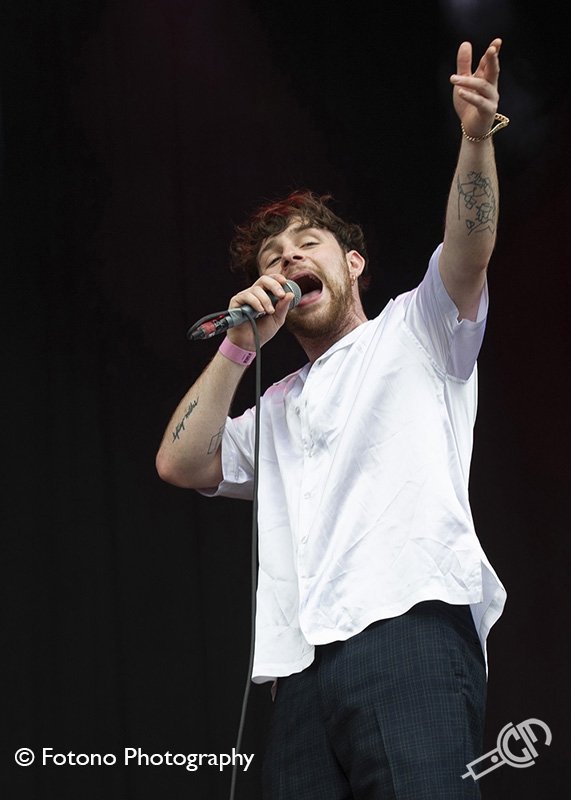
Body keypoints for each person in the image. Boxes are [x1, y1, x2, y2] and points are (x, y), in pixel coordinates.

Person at [156, 39, 508, 800]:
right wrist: (238, 348)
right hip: (300, 673)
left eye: (305, 246)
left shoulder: (415, 327)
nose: (286, 261)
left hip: (407, 627)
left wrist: (476, 138)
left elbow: (469, 249)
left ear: (352, 264)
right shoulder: (274, 402)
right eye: (271, 259)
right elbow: (181, 464)